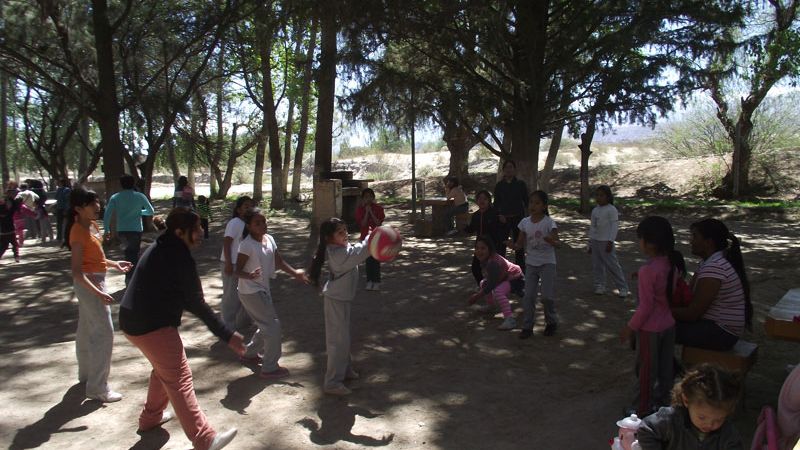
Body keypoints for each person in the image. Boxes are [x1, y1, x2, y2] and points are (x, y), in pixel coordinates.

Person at [120, 207, 243, 450]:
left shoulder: (164, 246)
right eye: (195, 229)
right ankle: (204, 438)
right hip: (151, 325)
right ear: (180, 232)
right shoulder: (177, 256)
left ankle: (150, 418)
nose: (200, 232)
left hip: (133, 321)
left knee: (163, 371)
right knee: (179, 377)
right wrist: (227, 335)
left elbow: (188, 299)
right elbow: (196, 303)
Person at [66, 186, 132, 402]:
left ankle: (86, 376)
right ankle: (97, 387)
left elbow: (95, 258)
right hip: (89, 284)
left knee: (85, 330)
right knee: (104, 333)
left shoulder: (92, 225)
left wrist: (114, 264)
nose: (98, 206)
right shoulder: (78, 231)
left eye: (97, 202)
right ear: (78, 208)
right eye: (92, 203)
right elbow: (78, 271)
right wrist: (98, 293)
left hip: (96, 280)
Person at [235, 207, 308, 379]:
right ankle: (269, 367)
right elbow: (236, 270)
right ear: (249, 226)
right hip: (250, 292)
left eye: (264, 222)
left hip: (261, 289)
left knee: (266, 324)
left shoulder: (269, 239)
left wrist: (295, 273)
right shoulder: (246, 245)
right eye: (257, 223)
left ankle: (249, 353)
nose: (262, 226)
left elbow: (279, 262)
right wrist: (249, 275)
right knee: (273, 326)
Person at [620, 216, 682, 416]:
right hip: (669, 325)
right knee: (665, 369)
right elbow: (666, 288)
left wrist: (630, 327)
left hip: (650, 329)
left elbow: (646, 307)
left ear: (649, 242)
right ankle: (664, 402)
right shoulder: (672, 264)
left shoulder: (648, 270)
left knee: (646, 371)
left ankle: (640, 407)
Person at [308, 217, 372, 396]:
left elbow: (356, 249)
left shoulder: (341, 249)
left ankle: (344, 370)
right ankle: (332, 382)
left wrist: (370, 237)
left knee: (343, 337)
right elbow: (361, 251)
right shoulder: (338, 254)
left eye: (346, 230)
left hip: (341, 299)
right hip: (336, 300)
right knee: (337, 341)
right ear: (329, 238)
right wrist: (372, 238)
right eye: (340, 232)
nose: (346, 234)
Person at [671, 219, 751, 351]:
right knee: (658, 323)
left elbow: (692, 313)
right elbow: (690, 298)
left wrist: (661, 310)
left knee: (656, 326)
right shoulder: (709, 263)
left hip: (721, 332)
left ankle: (667, 370)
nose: (691, 241)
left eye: (695, 236)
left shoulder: (714, 267)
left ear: (709, 242)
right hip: (716, 327)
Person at [637, 364, 744, 449]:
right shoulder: (671, 419)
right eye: (702, 417)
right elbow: (646, 429)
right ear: (686, 400)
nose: (710, 424)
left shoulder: (728, 434)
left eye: (719, 420)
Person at [513, 190, 559, 339]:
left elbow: (558, 243)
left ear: (544, 206)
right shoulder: (524, 222)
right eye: (531, 202)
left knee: (547, 297)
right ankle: (527, 326)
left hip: (547, 263)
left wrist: (552, 241)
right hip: (531, 263)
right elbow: (519, 244)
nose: (533, 205)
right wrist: (512, 245)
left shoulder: (549, 222)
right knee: (528, 296)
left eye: (537, 203)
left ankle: (551, 322)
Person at [103, 175, 155, 283]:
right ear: (133, 184)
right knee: (134, 253)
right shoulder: (140, 196)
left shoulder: (115, 197)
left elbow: (107, 214)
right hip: (136, 229)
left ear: (121, 185)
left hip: (122, 230)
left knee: (127, 253)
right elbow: (151, 211)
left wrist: (106, 230)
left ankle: (129, 277)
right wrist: (139, 212)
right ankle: (134, 278)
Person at [467, 235, 523, 330]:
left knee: (498, 291)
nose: (479, 251)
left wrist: (477, 296)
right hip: (504, 277)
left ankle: (510, 319)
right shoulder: (486, 259)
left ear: (490, 249)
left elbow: (492, 284)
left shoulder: (492, 263)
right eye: (477, 248)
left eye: (483, 248)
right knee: (483, 283)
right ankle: (491, 306)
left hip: (515, 278)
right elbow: (491, 280)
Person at [220, 196, 254, 331]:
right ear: (239, 210)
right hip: (232, 263)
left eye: (251, 206)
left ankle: (242, 323)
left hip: (243, 264)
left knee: (245, 294)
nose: (249, 208)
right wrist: (228, 263)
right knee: (231, 296)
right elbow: (227, 242)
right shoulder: (235, 222)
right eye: (246, 206)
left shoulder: (250, 224)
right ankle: (228, 326)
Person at [588, 185, 629, 297]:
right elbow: (593, 226)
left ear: (608, 196)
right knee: (597, 265)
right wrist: (590, 242)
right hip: (596, 240)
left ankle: (623, 287)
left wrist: (611, 241)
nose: (599, 198)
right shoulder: (595, 210)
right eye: (597, 195)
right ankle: (600, 285)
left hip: (606, 241)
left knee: (612, 265)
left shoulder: (611, 209)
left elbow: (614, 227)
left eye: (602, 195)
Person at [463, 190, 505, 286]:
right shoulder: (475, 215)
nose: (482, 201)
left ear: (489, 201)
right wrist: (465, 228)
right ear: (476, 201)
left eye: (485, 199)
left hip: (493, 247)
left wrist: (504, 222)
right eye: (479, 199)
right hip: (480, 247)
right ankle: (483, 286)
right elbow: (471, 229)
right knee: (475, 268)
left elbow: (502, 229)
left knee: (493, 270)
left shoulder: (495, 213)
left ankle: (498, 288)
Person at [494, 160, 528, 268]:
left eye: (511, 167)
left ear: (515, 170)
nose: (509, 170)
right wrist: (499, 215)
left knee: (519, 246)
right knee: (501, 245)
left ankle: (521, 271)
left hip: (518, 218)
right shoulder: (499, 186)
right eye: (506, 168)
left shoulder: (520, 184)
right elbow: (496, 203)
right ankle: (501, 269)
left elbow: (526, 201)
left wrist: (530, 218)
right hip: (503, 219)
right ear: (503, 170)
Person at [355, 188, 385, 291]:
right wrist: (366, 212)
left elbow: (378, 223)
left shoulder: (379, 209)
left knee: (375, 260)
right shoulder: (359, 210)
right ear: (362, 198)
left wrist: (371, 211)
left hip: (376, 237)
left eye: (370, 196)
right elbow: (362, 223)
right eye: (365, 197)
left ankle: (376, 282)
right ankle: (369, 281)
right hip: (365, 238)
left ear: (373, 197)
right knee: (368, 261)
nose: (368, 199)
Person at [0, 189, 21, 262]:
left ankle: (16, 256)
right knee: (13, 244)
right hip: (9, 229)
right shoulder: (10, 207)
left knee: (4, 245)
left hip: (3, 229)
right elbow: (15, 208)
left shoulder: (6, 204)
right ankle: (16, 256)